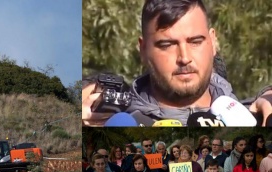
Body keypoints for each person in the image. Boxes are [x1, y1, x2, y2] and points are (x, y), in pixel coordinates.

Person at [82, 0, 272, 126]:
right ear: (143, 49)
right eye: (167, 44)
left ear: (213, 42)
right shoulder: (111, 120)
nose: (184, 57)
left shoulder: (255, 116)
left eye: (196, 42)